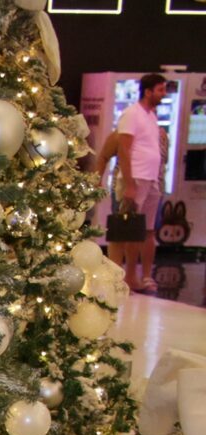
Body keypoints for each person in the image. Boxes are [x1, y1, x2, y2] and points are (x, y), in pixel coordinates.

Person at [96, 74, 172, 294]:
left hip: (151, 180)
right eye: (160, 90)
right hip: (135, 178)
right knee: (123, 228)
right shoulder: (131, 114)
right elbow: (124, 149)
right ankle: (114, 278)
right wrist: (129, 183)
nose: (164, 94)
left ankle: (131, 276)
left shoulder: (151, 116)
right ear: (147, 91)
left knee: (141, 230)